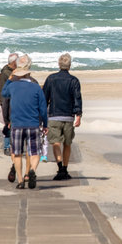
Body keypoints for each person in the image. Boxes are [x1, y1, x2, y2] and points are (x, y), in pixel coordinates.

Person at [1, 54, 48, 190]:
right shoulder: (36, 87)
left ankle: (20, 181)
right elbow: (43, 108)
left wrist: (9, 79)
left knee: (16, 153)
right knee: (34, 152)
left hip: (17, 124)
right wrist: (45, 124)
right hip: (33, 124)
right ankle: (32, 170)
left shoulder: (12, 87)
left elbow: (4, 94)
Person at [42, 52, 83, 181]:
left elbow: (44, 98)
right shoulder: (74, 80)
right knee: (67, 143)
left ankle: (60, 168)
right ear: (69, 65)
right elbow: (77, 99)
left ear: (59, 64)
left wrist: (42, 115)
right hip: (68, 116)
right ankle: (64, 168)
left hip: (54, 115)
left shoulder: (51, 79)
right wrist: (78, 115)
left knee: (55, 143)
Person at [0, 52, 18, 173]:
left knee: (9, 124)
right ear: (13, 62)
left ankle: (10, 146)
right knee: (8, 124)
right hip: (7, 100)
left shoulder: (7, 71)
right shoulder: (7, 73)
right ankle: (7, 146)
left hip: (7, 100)